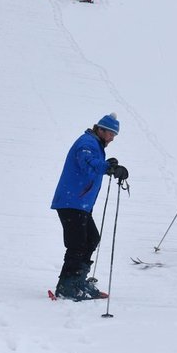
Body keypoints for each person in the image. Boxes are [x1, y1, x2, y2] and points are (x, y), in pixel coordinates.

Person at [51, 113, 127, 300]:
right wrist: (107, 168)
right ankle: (66, 287)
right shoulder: (87, 143)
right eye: (110, 134)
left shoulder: (96, 145)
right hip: (72, 202)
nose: (112, 138)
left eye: (114, 135)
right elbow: (87, 162)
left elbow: (95, 163)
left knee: (91, 238)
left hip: (80, 203)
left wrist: (107, 164)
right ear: (100, 129)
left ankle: (78, 280)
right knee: (77, 244)